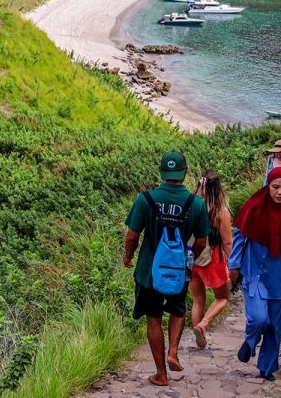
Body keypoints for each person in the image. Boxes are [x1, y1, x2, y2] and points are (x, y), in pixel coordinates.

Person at [123, 151, 210, 387]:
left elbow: (132, 236)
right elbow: (202, 240)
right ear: (185, 173)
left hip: (149, 271)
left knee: (153, 317)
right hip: (179, 270)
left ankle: (161, 374)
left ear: (161, 172)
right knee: (178, 310)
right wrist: (188, 258)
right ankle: (173, 352)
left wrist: (128, 256)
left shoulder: (146, 199)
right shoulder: (197, 204)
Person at [230, 166, 281, 381]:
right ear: (268, 186)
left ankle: (267, 368)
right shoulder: (254, 207)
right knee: (258, 319)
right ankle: (250, 341)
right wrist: (234, 265)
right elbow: (239, 235)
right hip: (254, 272)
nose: (279, 192)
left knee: (274, 326)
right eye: (275, 187)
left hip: (280, 279)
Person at [189, 169, 232, 350]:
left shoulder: (190, 206)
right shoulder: (221, 211)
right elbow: (227, 242)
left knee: (197, 299)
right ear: (218, 189)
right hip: (213, 258)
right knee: (222, 297)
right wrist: (234, 265)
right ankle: (204, 324)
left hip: (191, 257)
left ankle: (199, 339)